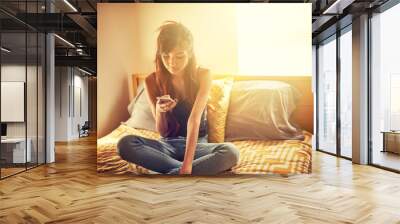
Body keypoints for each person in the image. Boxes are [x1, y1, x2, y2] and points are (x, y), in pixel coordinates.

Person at [117, 21, 239, 175]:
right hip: (166, 146)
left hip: (197, 146)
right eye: (166, 56)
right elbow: (162, 131)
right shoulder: (151, 81)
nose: (171, 63)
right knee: (125, 144)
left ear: (190, 53)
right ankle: (184, 171)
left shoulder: (203, 75)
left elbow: (194, 120)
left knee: (231, 152)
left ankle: (170, 173)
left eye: (179, 57)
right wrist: (159, 110)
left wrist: (187, 165)